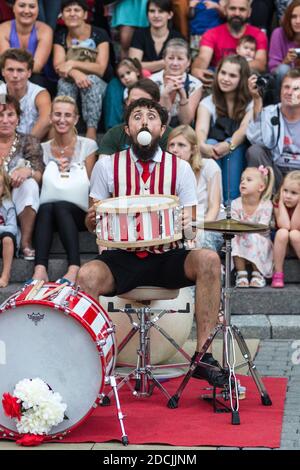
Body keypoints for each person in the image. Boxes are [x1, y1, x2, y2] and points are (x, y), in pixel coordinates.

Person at [77, 97, 229, 387]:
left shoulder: (181, 168)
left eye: (151, 117)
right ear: (127, 129)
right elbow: (90, 220)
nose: (144, 121)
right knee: (86, 275)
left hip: (166, 257)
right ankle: (93, 360)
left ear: (162, 129)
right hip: (122, 257)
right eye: (137, 116)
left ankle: (203, 356)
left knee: (209, 258)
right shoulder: (107, 166)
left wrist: (188, 225)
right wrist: (93, 218)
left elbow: (191, 226)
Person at [32, 95, 97, 284]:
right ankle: (40, 268)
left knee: (59, 206)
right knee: (46, 208)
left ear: (76, 119)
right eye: (58, 114)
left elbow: (92, 183)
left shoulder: (88, 145)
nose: (62, 119)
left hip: (79, 211)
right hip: (50, 211)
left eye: (68, 115)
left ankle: (74, 266)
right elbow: (39, 180)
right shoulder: (42, 148)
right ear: (50, 117)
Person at [53, 0, 113, 141]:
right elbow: (59, 66)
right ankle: (67, 129)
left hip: (100, 84)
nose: (72, 14)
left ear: (85, 14)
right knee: (64, 83)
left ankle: (91, 132)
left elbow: (100, 68)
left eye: (77, 10)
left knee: (90, 81)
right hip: (72, 80)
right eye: (68, 10)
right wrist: (75, 73)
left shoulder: (99, 34)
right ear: (62, 15)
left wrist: (72, 63)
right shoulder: (61, 36)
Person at [195, 55, 253, 201]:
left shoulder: (251, 102)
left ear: (242, 79)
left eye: (232, 75)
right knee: (210, 143)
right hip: (214, 150)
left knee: (232, 143)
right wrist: (203, 145)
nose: (226, 79)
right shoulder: (208, 101)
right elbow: (201, 130)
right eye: (223, 73)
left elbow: (243, 129)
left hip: (238, 150)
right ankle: (214, 202)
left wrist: (229, 145)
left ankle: (231, 202)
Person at [0, 94, 44, 260]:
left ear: (18, 118)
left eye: (10, 115)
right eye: (0, 115)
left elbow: (39, 173)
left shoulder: (28, 141)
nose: (5, 120)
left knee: (30, 184)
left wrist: (28, 171)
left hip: (17, 195)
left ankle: (25, 242)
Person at [168, 124, 224, 251]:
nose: (175, 149)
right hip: (181, 228)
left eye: (181, 145)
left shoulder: (209, 166)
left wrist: (199, 230)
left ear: (193, 149)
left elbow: (214, 207)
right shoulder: (165, 173)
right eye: (171, 145)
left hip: (208, 226)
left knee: (200, 239)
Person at [191, 0, 268, 89]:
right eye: (232, 8)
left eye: (242, 9)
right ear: (225, 10)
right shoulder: (211, 33)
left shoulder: (258, 34)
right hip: (220, 82)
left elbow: (260, 64)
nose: (237, 13)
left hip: (245, 84)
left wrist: (231, 69)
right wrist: (196, 69)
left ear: (249, 12)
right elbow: (203, 58)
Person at [246, 68, 300, 191]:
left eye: (296, 89)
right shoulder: (270, 112)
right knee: (255, 151)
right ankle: (272, 199)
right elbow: (255, 140)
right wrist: (257, 99)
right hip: (276, 171)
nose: (290, 92)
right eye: (286, 87)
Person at [99, 78, 172, 155]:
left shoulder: (169, 136)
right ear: (126, 102)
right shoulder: (114, 134)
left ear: (157, 104)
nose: (137, 107)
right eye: (133, 102)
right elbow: (103, 164)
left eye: (144, 102)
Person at [232, 166, 274, 288]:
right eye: (242, 180)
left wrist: (244, 228)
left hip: (260, 240)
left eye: (249, 180)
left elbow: (262, 227)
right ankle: (241, 273)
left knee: (254, 236)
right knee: (234, 238)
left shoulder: (266, 204)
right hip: (241, 237)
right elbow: (234, 224)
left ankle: (257, 273)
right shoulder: (236, 203)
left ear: (261, 187)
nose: (243, 182)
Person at [0, 48, 52, 141]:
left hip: (31, 145)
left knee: (55, 128)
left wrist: (24, 145)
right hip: (3, 143)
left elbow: (46, 119)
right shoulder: (1, 93)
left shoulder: (39, 94)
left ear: (29, 73)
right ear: (3, 72)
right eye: (10, 70)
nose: (15, 75)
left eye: (20, 70)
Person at [0, 0, 53, 89]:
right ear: (13, 8)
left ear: (38, 10)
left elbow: (37, 66)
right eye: (22, 6)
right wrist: (16, 73)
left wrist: (18, 72)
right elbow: (6, 63)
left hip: (34, 76)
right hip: (7, 75)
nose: (27, 11)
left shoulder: (45, 30)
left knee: (36, 81)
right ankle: (3, 101)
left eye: (32, 7)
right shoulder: (3, 29)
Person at [151, 38, 203, 126]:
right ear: (164, 59)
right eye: (171, 58)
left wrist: (183, 96)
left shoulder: (195, 84)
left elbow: (186, 122)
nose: (175, 63)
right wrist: (164, 96)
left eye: (180, 59)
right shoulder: (152, 81)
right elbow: (155, 122)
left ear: (188, 62)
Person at [129, 0, 183, 74]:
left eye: (161, 11)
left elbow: (181, 66)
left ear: (170, 15)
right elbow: (132, 66)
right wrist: (164, 62)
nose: (156, 15)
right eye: (152, 11)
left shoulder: (177, 38)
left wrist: (145, 65)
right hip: (144, 82)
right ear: (147, 14)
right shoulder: (139, 34)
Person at [272, 170, 300, 288]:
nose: (287, 196)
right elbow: (285, 225)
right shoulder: (278, 203)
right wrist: (281, 202)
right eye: (285, 190)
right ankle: (278, 273)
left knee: (294, 234)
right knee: (283, 232)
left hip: (297, 242)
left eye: (293, 193)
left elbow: (294, 227)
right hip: (282, 245)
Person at [269, 0, 300, 98]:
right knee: (283, 69)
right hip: (283, 81)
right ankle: (280, 105)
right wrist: (286, 61)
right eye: (293, 17)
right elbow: (273, 70)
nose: (298, 21)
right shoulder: (278, 33)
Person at [103, 57, 143, 131]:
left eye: (128, 73)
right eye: (122, 76)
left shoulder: (146, 86)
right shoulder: (125, 91)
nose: (126, 77)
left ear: (137, 72)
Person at [0, 168, 18, 288]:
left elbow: (12, 229)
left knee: (8, 238)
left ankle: (5, 275)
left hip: (5, 243)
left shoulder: (8, 205)